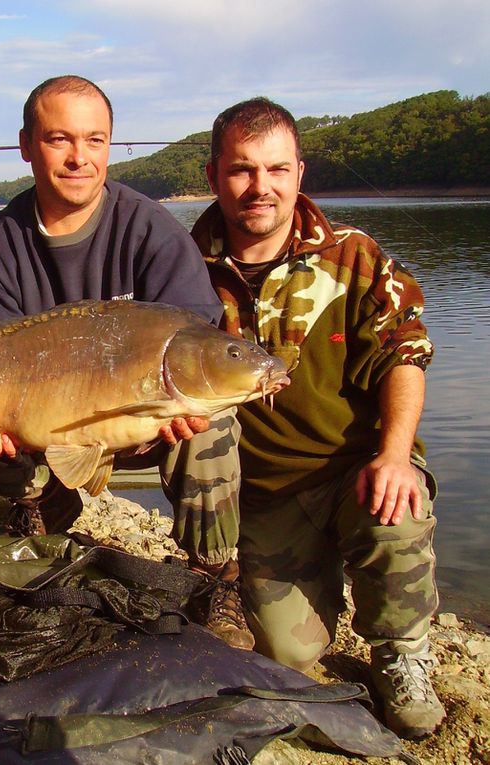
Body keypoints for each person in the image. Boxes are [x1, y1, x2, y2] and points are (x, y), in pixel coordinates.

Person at [0, 75, 251, 646]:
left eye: (95, 140)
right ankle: (41, 505)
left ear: (109, 145)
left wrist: (170, 415)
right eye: (60, 139)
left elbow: (199, 341)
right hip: (40, 429)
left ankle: (214, 573)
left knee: (214, 421)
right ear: (27, 145)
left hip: (147, 423)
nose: (79, 157)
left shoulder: (153, 230)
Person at [188, 96, 444, 739]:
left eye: (277, 169)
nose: (260, 187)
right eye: (242, 170)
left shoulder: (355, 256)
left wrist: (394, 454)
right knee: (293, 657)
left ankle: (403, 652)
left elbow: (405, 354)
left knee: (398, 505)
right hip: (268, 495)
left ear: (300, 172)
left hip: (355, 470)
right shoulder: (182, 266)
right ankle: (236, 571)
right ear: (214, 175)